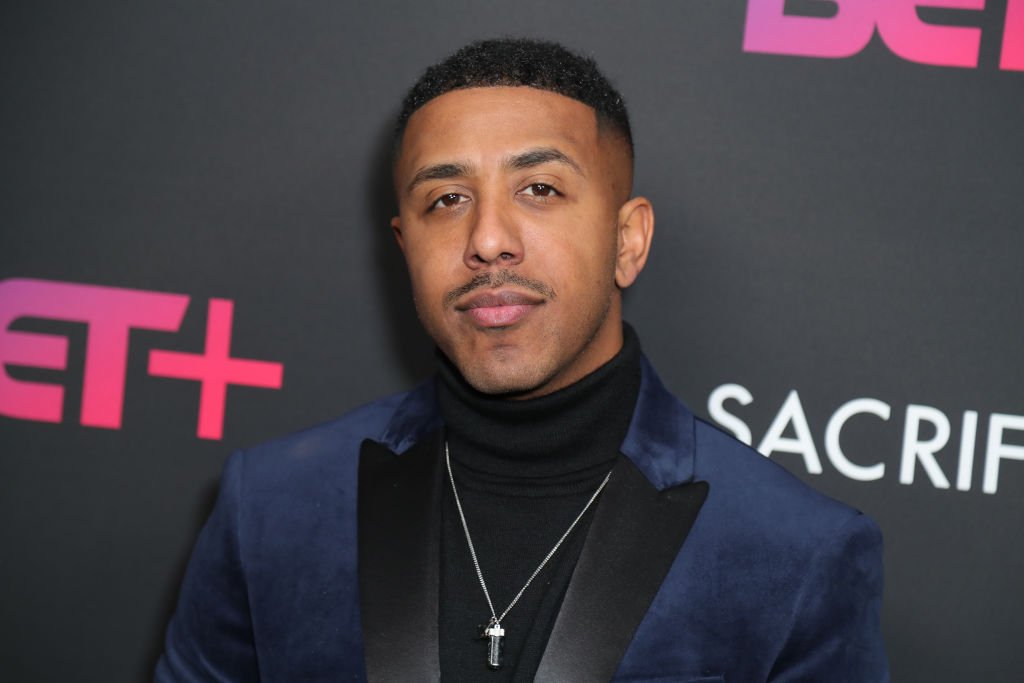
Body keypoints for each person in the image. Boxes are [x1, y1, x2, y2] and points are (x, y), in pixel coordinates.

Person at [156, 38, 887, 682]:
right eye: (445, 199)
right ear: (405, 246)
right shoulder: (270, 508)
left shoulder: (796, 555)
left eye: (539, 189)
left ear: (627, 241)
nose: (488, 238)